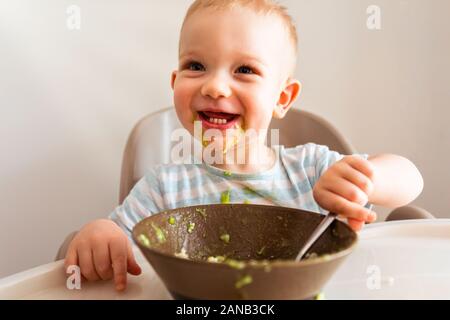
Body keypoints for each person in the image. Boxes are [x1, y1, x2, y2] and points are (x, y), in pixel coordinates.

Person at [64, 0, 423, 292]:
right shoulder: (164, 189)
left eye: (245, 70)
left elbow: (411, 180)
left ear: (282, 97)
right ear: (175, 82)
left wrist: (367, 179)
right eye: (196, 65)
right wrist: (99, 235)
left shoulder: (314, 171)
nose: (215, 87)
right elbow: (115, 245)